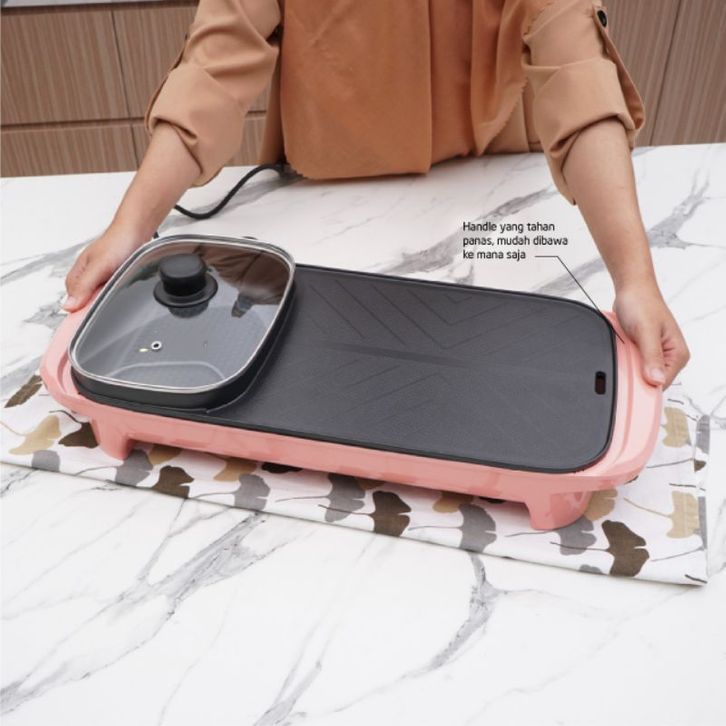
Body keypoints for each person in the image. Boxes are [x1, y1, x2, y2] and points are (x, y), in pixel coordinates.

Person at [63, 0, 689, 388]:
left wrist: (634, 280)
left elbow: (578, 76)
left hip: (484, 191)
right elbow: (213, 70)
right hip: (328, 199)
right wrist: (131, 226)